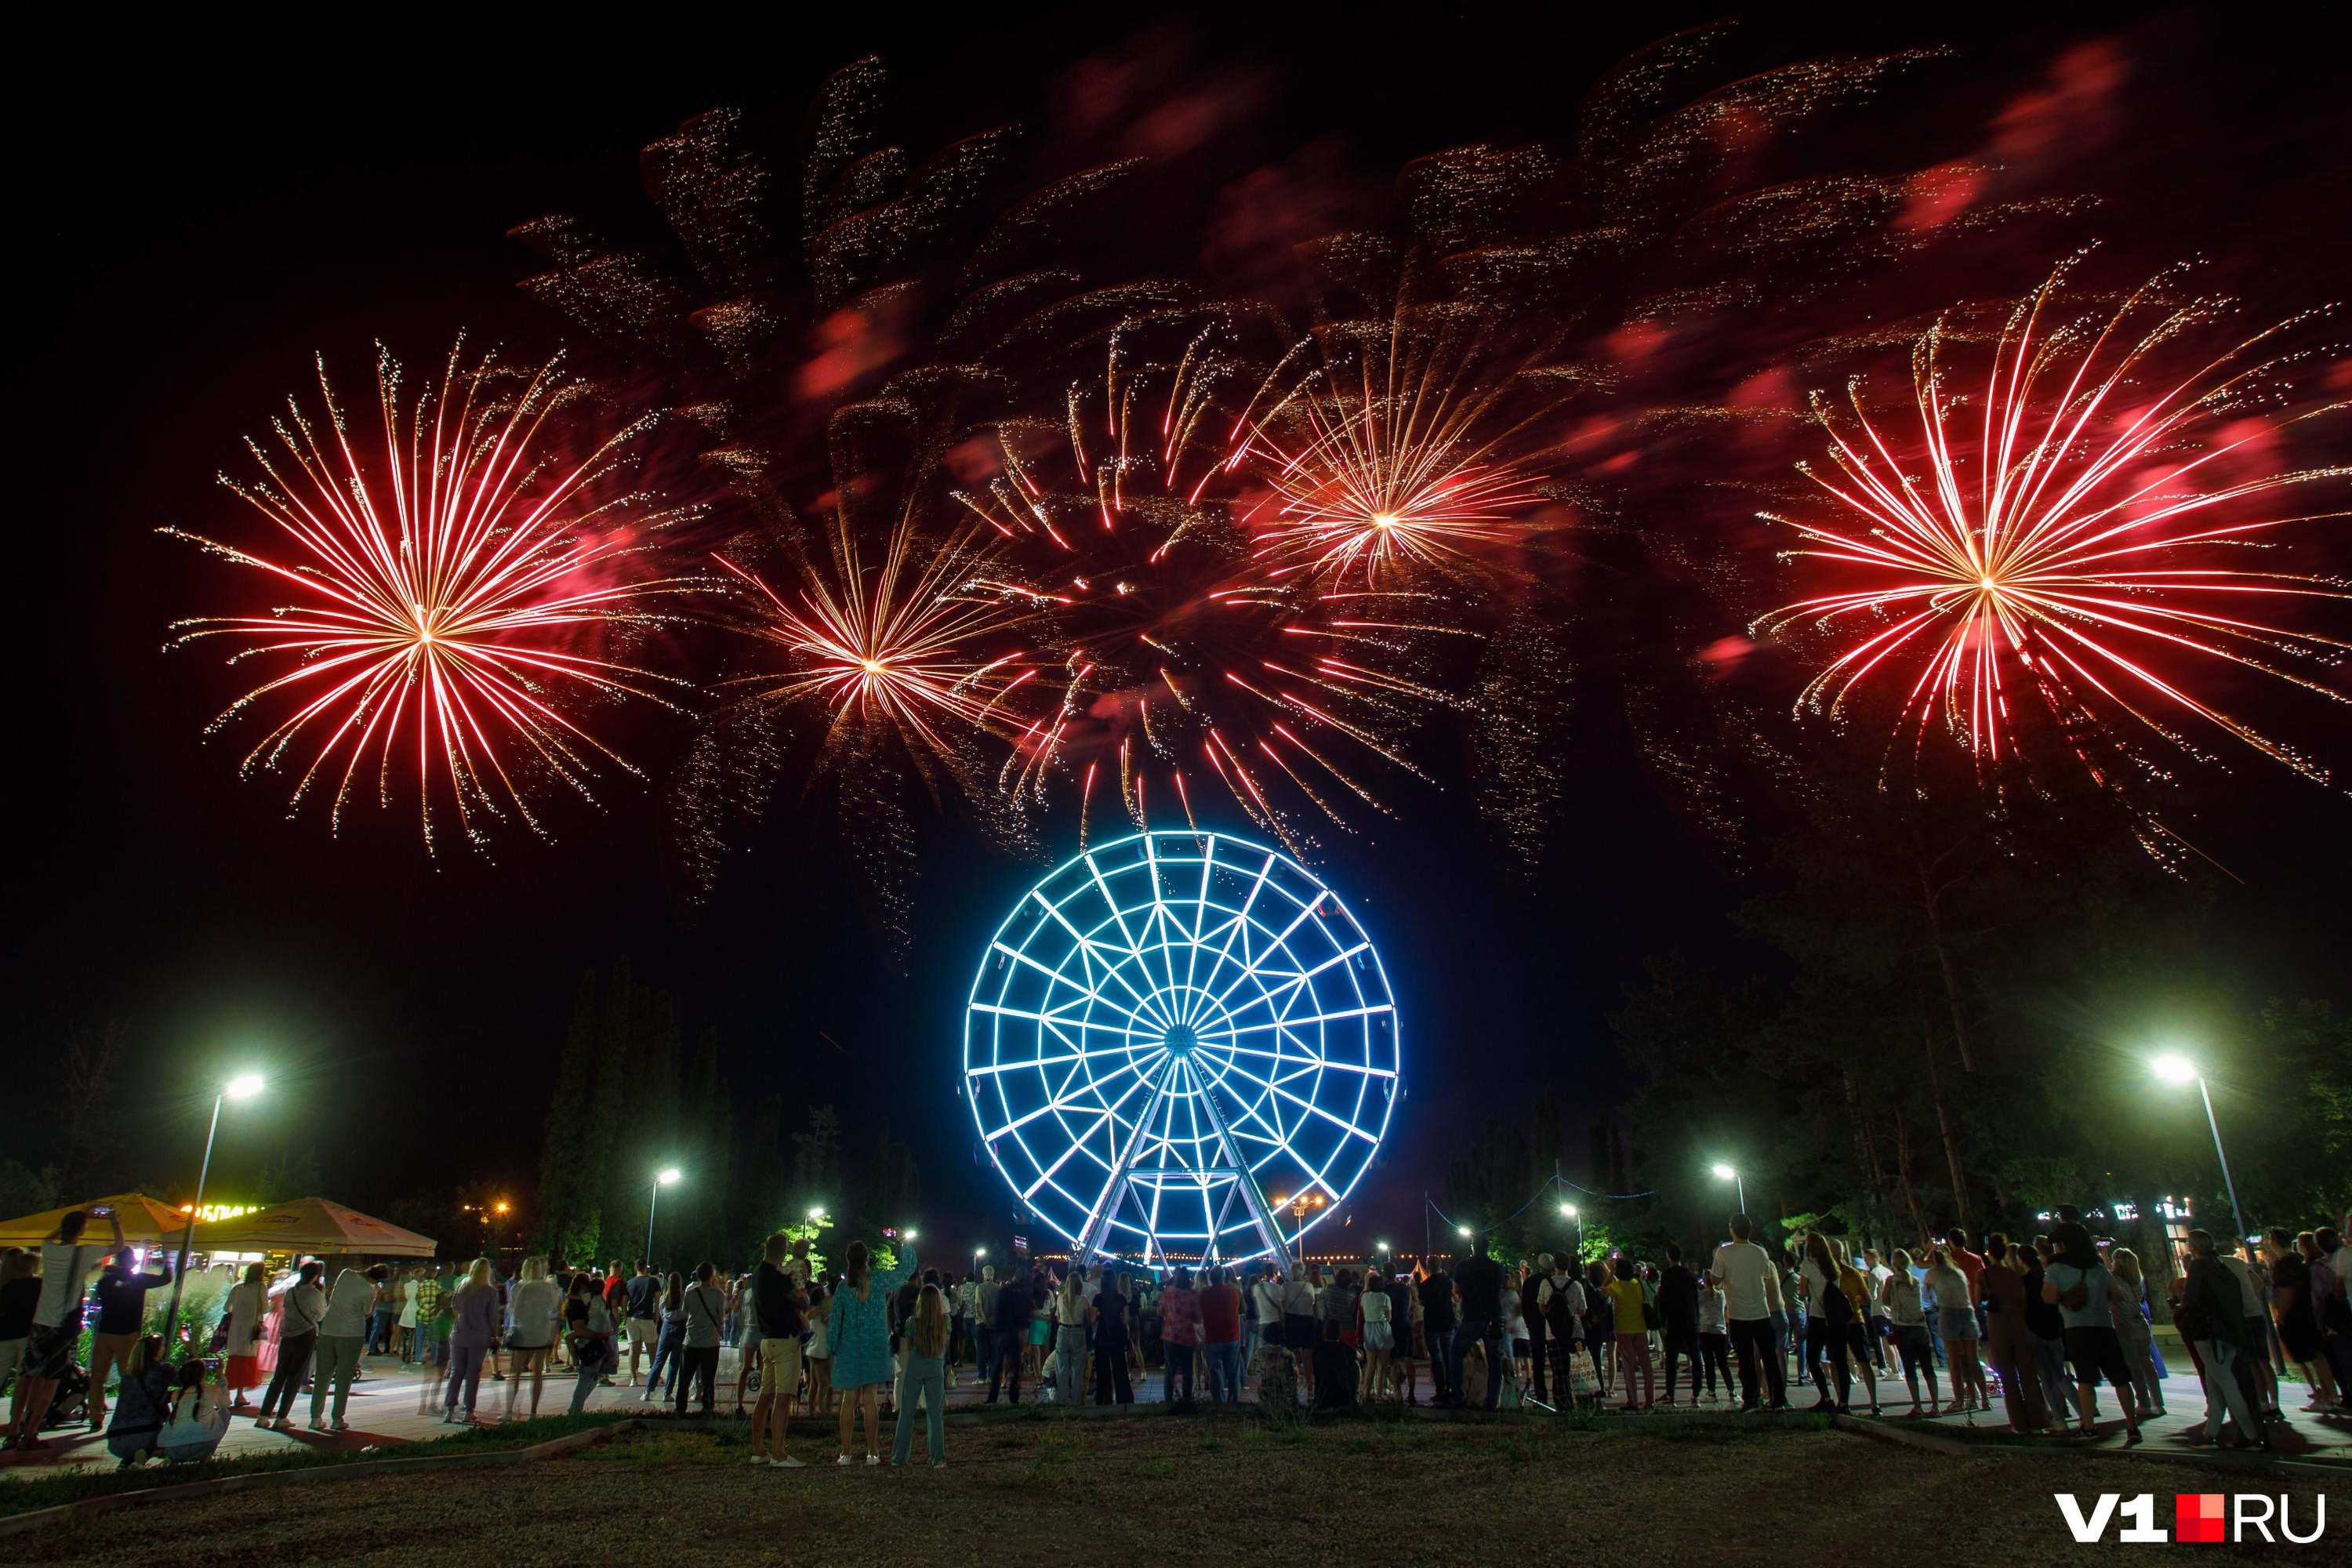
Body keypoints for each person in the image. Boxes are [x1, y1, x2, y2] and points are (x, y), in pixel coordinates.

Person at [6, 1207, 122, 1450]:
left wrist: (74, 1219)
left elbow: (48, 1237)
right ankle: (31, 1433)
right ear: (82, 1230)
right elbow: (119, 1246)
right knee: (51, 1381)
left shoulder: (49, 1248)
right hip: (63, 1328)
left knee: (25, 1379)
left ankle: (14, 1431)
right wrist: (113, 1221)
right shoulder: (84, 1253)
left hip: (40, 1323)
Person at [2042, 1232, 2142, 1443]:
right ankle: (2132, 1427)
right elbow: (2118, 1295)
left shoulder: (2056, 1269)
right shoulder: (2099, 1268)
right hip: (2104, 1327)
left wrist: (2067, 1298)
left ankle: (2089, 1427)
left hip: (2077, 1328)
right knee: (2120, 1378)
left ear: (2062, 1247)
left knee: (2086, 1380)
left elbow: (2048, 1297)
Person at [2175, 1228, 2267, 1449]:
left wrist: (2180, 1306)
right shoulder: (2223, 1266)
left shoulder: (2197, 1266)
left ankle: (2251, 1434)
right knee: (2215, 1382)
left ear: (2193, 1246)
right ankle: (2211, 1433)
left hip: (2208, 1332)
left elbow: (2191, 1298)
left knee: (2226, 1383)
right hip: (2231, 1330)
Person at [831, 1237, 917, 1464]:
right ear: (867, 1259)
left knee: (848, 1400)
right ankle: (873, 1451)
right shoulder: (878, 1282)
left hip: (850, 1348)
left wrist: (833, 1346)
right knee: (870, 1399)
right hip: (873, 1348)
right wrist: (904, 1244)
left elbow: (835, 1322)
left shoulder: (843, 1287)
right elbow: (906, 1271)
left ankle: (845, 1452)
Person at [88, 1244, 173, 1429]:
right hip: (128, 1334)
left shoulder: (104, 1282)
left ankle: (95, 1417)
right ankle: (124, 1413)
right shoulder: (139, 1280)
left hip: (105, 1332)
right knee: (129, 1376)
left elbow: (100, 1300)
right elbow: (166, 1278)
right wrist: (166, 1256)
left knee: (97, 1377)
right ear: (133, 1262)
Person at [1708, 1214, 1786, 1412]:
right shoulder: (1760, 1252)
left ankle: (1751, 1398)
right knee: (1769, 1357)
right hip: (1761, 1311)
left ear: (1732, 1230)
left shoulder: (1723, 1253)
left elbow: (1716, 1280)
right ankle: (1778, 1398)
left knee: (1746, 1360)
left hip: (1738, 1314)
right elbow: (1766, 1276)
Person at [2263, 1228, 2341, 1411]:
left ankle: (2322, 1396)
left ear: (2273, 1241)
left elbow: (2286, 1291)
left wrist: (2281, 1315)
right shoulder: (2297, 1260)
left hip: (2295, 1316)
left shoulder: (2284, 1264)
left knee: (2308, 1357)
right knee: (2316, 1357)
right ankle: (2330, 1395)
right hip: (2308, 1312)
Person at [749, 1234, 809, 1468]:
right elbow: (802, 1303)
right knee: (783, 1399)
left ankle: (758, 1450)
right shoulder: (778, 1279)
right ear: (783, 1252)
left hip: (766, 1340)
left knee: (765, 1397)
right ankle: (779, 1453)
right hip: (785, 1341)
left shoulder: (757, 1274)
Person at [311, 1261, 382, 1432]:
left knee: (322, 1376)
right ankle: (337, 1419)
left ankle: (315, 1418)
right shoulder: (369, 1290)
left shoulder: (345, 1273)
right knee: (343, 1377)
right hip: (351, 1334)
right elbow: (367, 1313)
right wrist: (377, 1295)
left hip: (329, 1330)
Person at [256, 1260, 325, 1432]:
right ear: (316, 1276)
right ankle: (282, 1416)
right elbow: (322, 1314)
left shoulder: (291, 1292)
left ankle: (263, 1416)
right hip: (305, 1334)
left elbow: (287, 1309)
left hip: (287, 1334)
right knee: (294, 1377)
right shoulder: (315, 1294)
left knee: (278, 1376)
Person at [891, 1283, 951, 1468]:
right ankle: (938, 1458)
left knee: (907, 1414)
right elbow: (945, 1344)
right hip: (935, 1368)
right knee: (935, 1415)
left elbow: (908, 1345)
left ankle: (899, 1458)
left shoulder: (912, 1322)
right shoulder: (945, 1322)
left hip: (915, 1368)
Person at [2107, 1247, 2169, 1420]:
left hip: (2125, 1326)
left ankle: (2144, 1402)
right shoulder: (2136, 1281)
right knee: (2148, 1364)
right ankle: (2158, 1402)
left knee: (2133, 1366)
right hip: (2141, 1323)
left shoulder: (2115, 1280)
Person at [1879, 1248, 1941, 1417]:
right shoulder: (1915, 1280)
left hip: (1902, 1327)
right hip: (1920, 1326)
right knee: (1928, 1367)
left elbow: (1884, 1300)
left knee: (1910, 1368)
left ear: (1894, 1264)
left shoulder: (1891, 1280)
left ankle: (1918, 1407)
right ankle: (1936, 1406)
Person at [441, 1258, 500, 1425]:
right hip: (479, 1335)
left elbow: (454, 1307)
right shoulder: (490, 1292)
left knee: (456, 1371)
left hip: (459, 1333)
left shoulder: (462, 1287)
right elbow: (493, 1318)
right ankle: (469, 1410)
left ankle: (450, 1409)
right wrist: (494, 1337)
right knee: (473, 1373)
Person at [103, 1335, 174, 1469]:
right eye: (163, 1346)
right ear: (158, 1350)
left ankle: (129, 1462)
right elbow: (188, 1378)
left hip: (115, 1438)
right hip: (146, 1435)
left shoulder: (128, 1375)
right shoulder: (163, 1370)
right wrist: (191, 1351)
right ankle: (160, 1452)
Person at [504, 1256, 561, 1421]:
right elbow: (552, 1306)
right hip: (542, 1333)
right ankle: (533, 1412)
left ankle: (509, 1410)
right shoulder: (547, 1287)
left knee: (516, 1373)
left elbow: (513, 1310)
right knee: (537, 1374)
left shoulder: (519, 1287)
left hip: (522, 1333)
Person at [1454, 1237, 1506, 1411]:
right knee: (1494, 1360)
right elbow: (1501, 1288)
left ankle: (1458, 1396)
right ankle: (1492, 1400)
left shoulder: (1463, 1266)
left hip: (1472, 1316)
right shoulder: (1497, 1267)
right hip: (1493, 1316)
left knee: (1456, 1354)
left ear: (1473, 1247)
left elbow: (1456, 1290)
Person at [670, 1261, 726, 1415]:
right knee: (708, 1380)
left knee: (684, 1379)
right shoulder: (718, 1294)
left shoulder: (690, 1292)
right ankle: (707, 1408)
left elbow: (686, 1313)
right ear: (712, 1275)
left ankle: (680, 1408)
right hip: (710, 1343)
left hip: (691, 1341)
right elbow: (721, 1318)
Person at [218, 1261, 269, 1412]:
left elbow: (227, 1307)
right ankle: (240, 1395)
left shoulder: (238, 1286)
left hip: (235, 1328)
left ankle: (228, 1393)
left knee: (234, 1360)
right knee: (246, 1361)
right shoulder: (261, 1287)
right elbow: (265, 1308)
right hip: (251, 1330)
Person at [1605, 1254, 1653, 1411]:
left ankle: (1633, 1400)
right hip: (1640, 1327)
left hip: (1623, 1329)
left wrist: (1610, 1272)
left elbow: (1603, 1289)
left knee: (1629, 1365)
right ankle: (1649, 1400)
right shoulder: (1638, 1283)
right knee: (1646, 1364)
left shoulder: (1618, 1287)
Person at [1656, 1243, 1702, 1407]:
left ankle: (1670, 1393)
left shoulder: (1667, 1275)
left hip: (1675, 1320)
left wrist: (1663, 1321)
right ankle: (1696, 1394)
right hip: (1691, 1318)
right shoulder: (1689, 1275)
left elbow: (1664, 1299)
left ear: (1669, 1257)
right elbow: (1695, 1298)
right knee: (1696, 1357)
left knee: (1672, 1358)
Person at [158, 1361, 230, 1465]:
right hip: (204, 1447)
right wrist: (221, 1378)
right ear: (203, 1374)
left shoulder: (176, 1394)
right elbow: (226, 1404)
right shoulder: (212, 1389)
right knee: (225, 1413)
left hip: (175, 1449)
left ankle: (168, 1457)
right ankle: (206, 1457)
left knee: (174, 1417)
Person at [563, 1272, 615, 1417]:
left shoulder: (587, 1300)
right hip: (591, 1342)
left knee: (590, 1378)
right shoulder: (593, 1301)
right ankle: (575, 1411)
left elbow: (569, 1296)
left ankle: (575, 1408)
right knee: (586, 1379)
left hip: (591, 1341)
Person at [985, 1258, 1030, 1404]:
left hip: (1003, 1332)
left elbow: (998, 1312)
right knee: (1016, 1366)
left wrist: (996, 1327)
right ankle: (1014, 1395)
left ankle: (993, 1396)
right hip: (1015, 1332)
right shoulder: (1022, 1295)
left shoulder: (1004, 1292)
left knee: (997, 1365)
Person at [1091, 1267, 1137, 1404]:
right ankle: (1124, 1398)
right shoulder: (1121, 1298)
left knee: (1103, 1369)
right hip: (1118, 1335)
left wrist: (1099, 1316)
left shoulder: (1098, 1299)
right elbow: (1127, 1319)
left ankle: (1104, 1398)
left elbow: (1092, 1319)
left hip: (1102, 1335)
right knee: (1120, 1367)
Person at [1159, 1266, 1201, 1405]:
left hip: (1170, 1336)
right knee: (1187, 1371)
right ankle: (1187, 1399)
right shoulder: (1193, 1294)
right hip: (1187, 1337)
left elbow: (1160, 1311)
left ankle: (1168, 1399)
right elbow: (1197, 1318)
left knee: (1170, 1369)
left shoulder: (1169, 1292)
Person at [1358, 1268, 1396, 1402]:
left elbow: (1362, 1313)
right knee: (1382, 1365)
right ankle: (1379, 1395)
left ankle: (1366, 1393)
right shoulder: (1385, 1297)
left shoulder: (1364, 1297)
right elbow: (1389, 1317)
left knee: (1370, 1364)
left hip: (1368, 1329)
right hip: (1382, 1329)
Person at [804, 1283, 834, 1416]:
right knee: (823, 1382)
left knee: (815, 1383)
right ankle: (822, 1409)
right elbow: (829, 1326)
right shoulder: (819, 1312)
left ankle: (812, 1409)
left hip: (816, 1350)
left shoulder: (814, 1312)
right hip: (819, 1351)